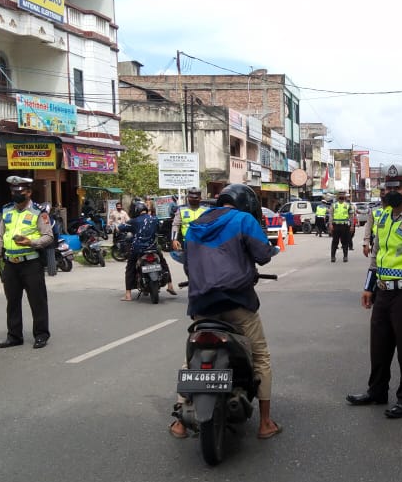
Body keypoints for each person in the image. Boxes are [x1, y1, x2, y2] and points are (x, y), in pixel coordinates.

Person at [169, 183, 281, 441]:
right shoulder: (243, 220)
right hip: (237, 303)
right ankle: (265, 423)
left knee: (191, 359)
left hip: (201, 306)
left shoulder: (197, 223)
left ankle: (179, 423)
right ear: (248, 205)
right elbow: (264, 254)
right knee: (261, 355)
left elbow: (188, 264)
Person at [346, 164, 402, 419]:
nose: (390, 192)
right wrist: (368, 288)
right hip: (383, 292)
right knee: (379, 345)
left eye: (397, 187)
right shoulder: (382, 217)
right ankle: (377, 391)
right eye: (387, 188)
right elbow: (376, 254)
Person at [0, 176, 54, 348]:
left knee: (37, 300)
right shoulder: (7, 211)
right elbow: (0, 237)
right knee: (12, 302)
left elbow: (48, 236)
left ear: (29, 192)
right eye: (13, 192)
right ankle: (14, 336)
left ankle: (41, 334)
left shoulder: (38, 212)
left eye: (20, 192)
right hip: (10, 263)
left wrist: (31, 242)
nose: (16, 195)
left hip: (31, 263)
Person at [118, 200, 177, 300]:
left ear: (136, 211)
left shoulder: (134, 221)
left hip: (138, 249)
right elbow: (159, 229)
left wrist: (122, 227)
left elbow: (121, 227)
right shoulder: (155, 219)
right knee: (163, 263)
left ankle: (128, 295)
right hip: (153, 248)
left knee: (130, 267)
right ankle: (170, 285)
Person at [170, 187, 209, 259]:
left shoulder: (206, 209)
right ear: (188, 197)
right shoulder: (181, 209)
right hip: (187, 243)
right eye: (191, 197)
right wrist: (174, 239)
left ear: (200, 198)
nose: (193, 199)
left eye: (196, 197)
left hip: (203, 243)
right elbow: (175, 225)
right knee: (189, 266)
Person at [327, 190, 356, 262]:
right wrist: (330, 224)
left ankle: (345, 257)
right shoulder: (334, 205)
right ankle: (333, 257)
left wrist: (352, 226)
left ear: (345, 196)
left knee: (345, 242)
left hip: (345, 226)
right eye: (340, 194)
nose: (341, 196)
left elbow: (351, 216)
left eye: (343, 194)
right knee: (335, 242)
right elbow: (331, 215)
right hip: (336, 226)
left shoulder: (348, 205)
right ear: (337, 196)